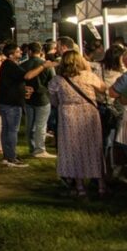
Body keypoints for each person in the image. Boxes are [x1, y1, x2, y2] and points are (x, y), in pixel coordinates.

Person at [49, 51, 107, 198]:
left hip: (68, 114)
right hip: (89, 113)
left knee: (72, 149)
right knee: (93, 147)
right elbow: (103, 88)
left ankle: (80, 187)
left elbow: (53, 101)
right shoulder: (88, 75)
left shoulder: (57, 80)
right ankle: (101, 186)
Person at [21, 43, 57, 159]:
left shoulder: (23, 65)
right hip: (43, 97)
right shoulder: (46, 65)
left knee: (30, 124)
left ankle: (32, 147)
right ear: (40, 51)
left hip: (28, 98)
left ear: (29, 51)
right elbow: (53, 81)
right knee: (41, 125)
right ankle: (39, 149)